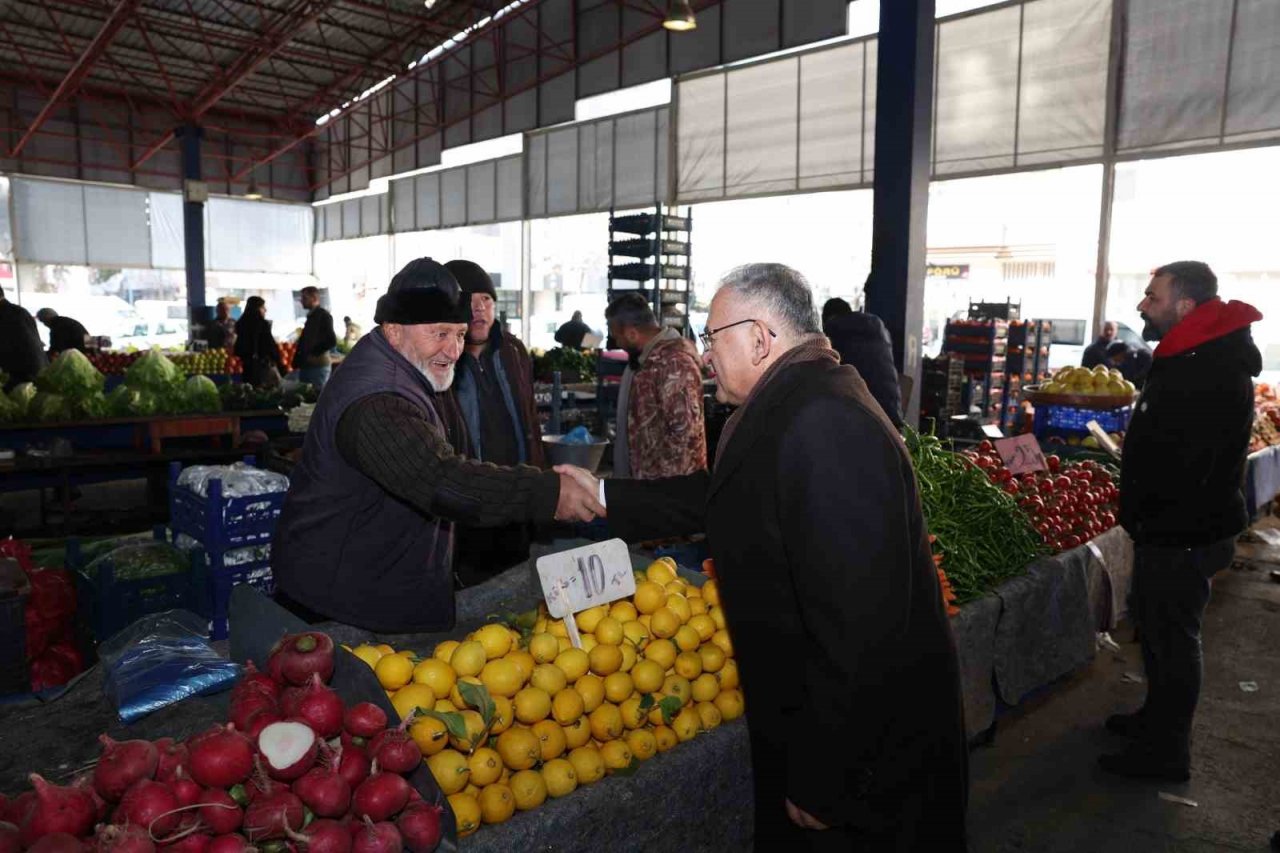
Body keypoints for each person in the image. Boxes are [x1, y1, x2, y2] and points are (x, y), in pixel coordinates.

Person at [562, 263, 968, 850]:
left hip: (866, 769)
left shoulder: (826, 421)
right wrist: (599, 496)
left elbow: (861, 626)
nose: (704, 359)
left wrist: (827, 775)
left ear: (759, 337)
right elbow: (724, 495)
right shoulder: (797, 400)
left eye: (712, 339)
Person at [272, 258, 602, 633]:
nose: (453, 350)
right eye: (439, 333)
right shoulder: (378, 402)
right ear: (394, 330)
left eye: (459, 335)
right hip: (337, 610)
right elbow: (441, 479)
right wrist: (549, 493)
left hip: (369, 589)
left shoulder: (409, 368)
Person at [1101, 260, 1261, 782]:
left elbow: (1192, 461)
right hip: (1172, 526)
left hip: (1185, 531)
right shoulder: (1192, 353)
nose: (1142, 305)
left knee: (1174, 640)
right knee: (1159, 634)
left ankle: (1167, 754)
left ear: (1185, 306)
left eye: (1152, 297)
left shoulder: (1211, 366)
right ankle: (1157, 721)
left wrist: (1153, 516)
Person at [446, 258, 545, 586]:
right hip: (469, 506)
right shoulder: (443, 360)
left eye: (485, 300)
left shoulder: (514, 352)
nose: (479, 310)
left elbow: (530, 420)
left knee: (517, 586)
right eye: (469, 302)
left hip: (517, 497)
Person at [605, 292, 707, 479]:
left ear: (632, 333)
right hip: (644, 491)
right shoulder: (639, 363)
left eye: (617, 337)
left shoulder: (675, 364)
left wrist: (656, 496)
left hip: (667, 496)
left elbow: (684, 441)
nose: (617, 343)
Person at [821, 297, 903, 427]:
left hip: (866, 422)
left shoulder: (834, 332)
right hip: (892, 417)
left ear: (829, 318)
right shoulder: (878, 329)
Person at [234, 296, 286, 388]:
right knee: (264, 395)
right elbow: (270, 347)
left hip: (247, 368)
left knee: (249, 393)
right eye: (263, 307)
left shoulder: (241, 324)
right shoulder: (262, 325)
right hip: (262, 368)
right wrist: (281, 366)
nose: (265, 310)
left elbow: (238, 349)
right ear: (257, 308)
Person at [0, 289, 47, 391]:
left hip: (22, 372)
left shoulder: (5, 314)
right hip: (34, 367)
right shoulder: (18, 311)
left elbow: (7, 345)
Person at [296, 286, 337, 389]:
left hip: (318, 366)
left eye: (304, 298)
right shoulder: (312, 316)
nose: (301, 301)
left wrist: (313, 353)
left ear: (314, 298)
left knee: (316, 397)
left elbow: (331, 340)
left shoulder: (323, 316)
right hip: (309, 365)